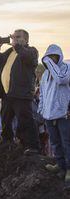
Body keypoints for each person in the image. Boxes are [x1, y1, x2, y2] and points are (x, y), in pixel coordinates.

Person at [0, 29, 40, 155]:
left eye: (18, 37)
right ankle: (7, 143)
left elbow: (28, 59)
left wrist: (17, 46)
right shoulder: (9, 52)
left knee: (25, 120)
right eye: (14, 37)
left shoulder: (32, 51)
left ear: (26, 39)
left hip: (21, 93)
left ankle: (31, 146)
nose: (14, 39)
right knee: (5, 119)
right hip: (8, 93)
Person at [38, 44, 70, 188]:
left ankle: (69, 169)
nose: (51, 60)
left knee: (66, 142)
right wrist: (41, 109)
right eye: (48, 57)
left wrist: (50, 63)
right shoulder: (45, 75)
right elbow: (43, 94)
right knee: (55, 142)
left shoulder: (66, 68)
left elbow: (61, 79)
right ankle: (60, 165)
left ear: (59, 57)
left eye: (53, 57)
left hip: (64, 113)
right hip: (49, 114)